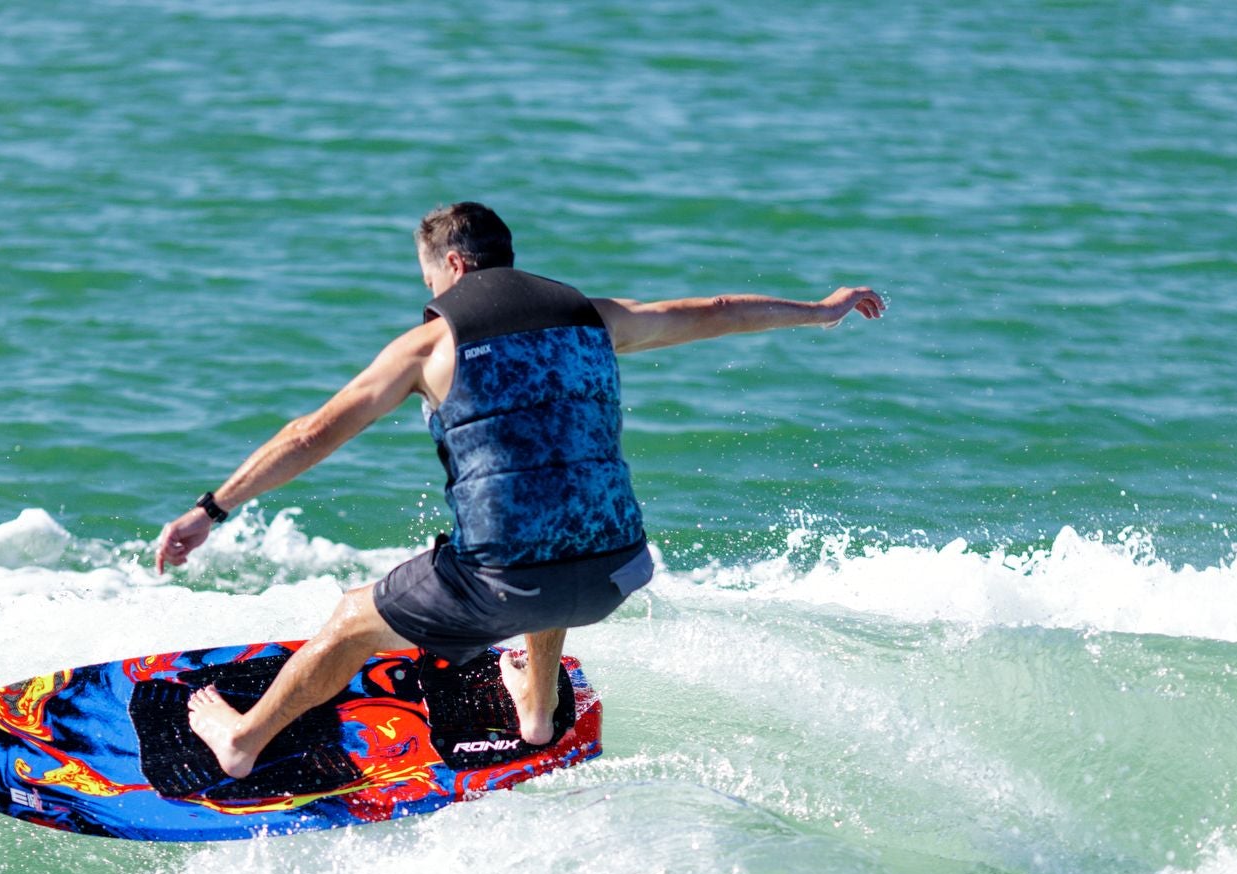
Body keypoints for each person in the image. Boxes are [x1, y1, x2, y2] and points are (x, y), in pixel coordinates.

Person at [155, 202, 885, 778]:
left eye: (429, 280)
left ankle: (243, 741)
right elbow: (721, 310)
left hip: (509, 585)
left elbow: (311, 434)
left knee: (353, 617)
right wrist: (821, 311)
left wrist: (211, 507)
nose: (429, 295)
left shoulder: (429, 345)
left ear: (451, 263)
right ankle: (536, 710)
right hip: (616, 572)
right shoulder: (593, 316)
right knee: (556, 506)